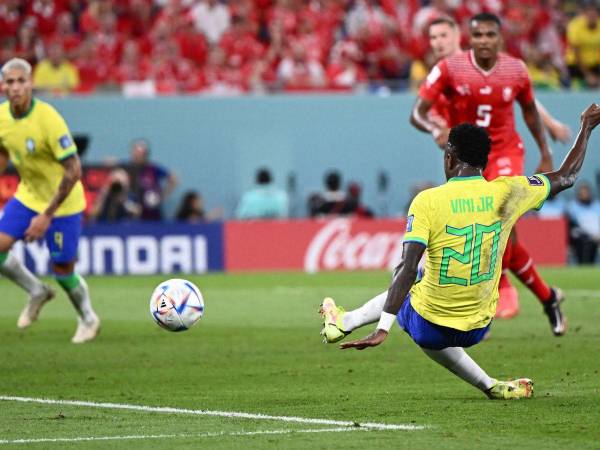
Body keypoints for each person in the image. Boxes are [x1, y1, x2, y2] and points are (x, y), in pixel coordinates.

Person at [320, 103, 600, 399]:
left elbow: (406, 267)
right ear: (485, 161)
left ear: (449, 157)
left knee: (411, 281)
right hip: (479, 326)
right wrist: (586, 127)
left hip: (430, 323)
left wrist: (383, 328)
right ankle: (490, 386)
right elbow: (567, 176)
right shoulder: (508, 191)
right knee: (427, 294)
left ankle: (345, 321)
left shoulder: (428, 201)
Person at [411, 13, 565, 324]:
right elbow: (420, 112)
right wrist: (436, 129)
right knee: (485, 229)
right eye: (432, 38)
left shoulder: (512, 69)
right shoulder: (445, 73)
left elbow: (528, 104)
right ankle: (548, 297)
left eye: (442, 36)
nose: (437, 43)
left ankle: (501, 288)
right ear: (470, 38)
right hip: (468, 155)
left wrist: (547, 143)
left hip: (505, 150)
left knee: (501, 219)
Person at [0, 58, 100, 343]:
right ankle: (35, 290)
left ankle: (88, 318)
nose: (16, 87)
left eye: (21, 81)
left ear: (31, 83)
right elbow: (3, 151)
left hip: (63, 203)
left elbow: (74, 169)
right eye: (10, 82)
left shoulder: (48, 119)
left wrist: (46, 215)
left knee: (62, 269)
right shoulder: (2, 117)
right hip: (29, 195)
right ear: (3, 86)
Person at [124, 139, 178, 221]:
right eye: (136, 153)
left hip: (152, 212)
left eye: (141, 154)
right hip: (131, 212)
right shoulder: (126, 169)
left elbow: (173, 179)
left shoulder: (152, 169)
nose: (138, 156)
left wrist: (162, 196)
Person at [567, 182, 600, 264]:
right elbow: (572, 226)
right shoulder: (572, 207)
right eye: (582, 193)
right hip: (581, 237)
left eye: (586, 193)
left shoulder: (597, 205)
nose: (584, 195)